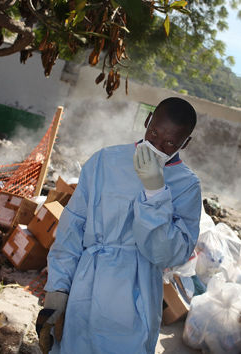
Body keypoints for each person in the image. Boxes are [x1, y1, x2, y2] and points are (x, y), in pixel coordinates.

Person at [36, 97, 202, 353]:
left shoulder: (186, 185)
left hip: (136, 300)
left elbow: (170, 255)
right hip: (86, 286)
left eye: (169, 143)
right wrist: (57, 292)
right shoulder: (104, 161)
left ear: (185, 143)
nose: (156, 146)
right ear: (147, 121)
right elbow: (72, 229)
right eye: (153, 133)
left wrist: (156, 194)